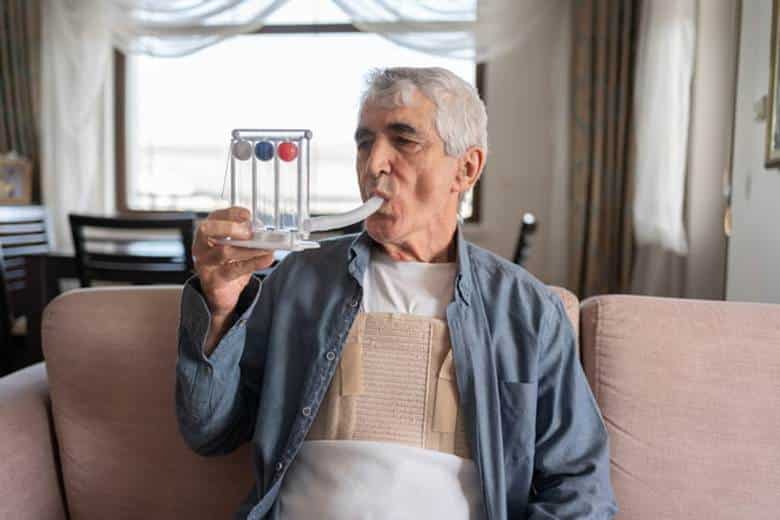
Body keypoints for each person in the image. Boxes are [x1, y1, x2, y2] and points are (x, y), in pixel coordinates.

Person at [176, 66, 617, 520]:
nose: (373, 165)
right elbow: (209, 433)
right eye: (365, 142)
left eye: (404, 141)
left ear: (466, 168)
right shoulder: (298, 282)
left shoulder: (526, 310)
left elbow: (580, 488)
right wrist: (222, 303)